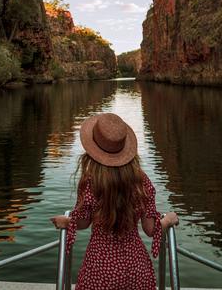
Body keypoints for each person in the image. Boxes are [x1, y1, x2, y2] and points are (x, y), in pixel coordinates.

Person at [50, 113, 179, 290]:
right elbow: (151, 230)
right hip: (136, 267)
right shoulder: (142, 182)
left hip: (100, 268)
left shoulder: (90, 182)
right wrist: (168, 219)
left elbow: (83, 222)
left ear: (93, 150)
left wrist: (68, 221)